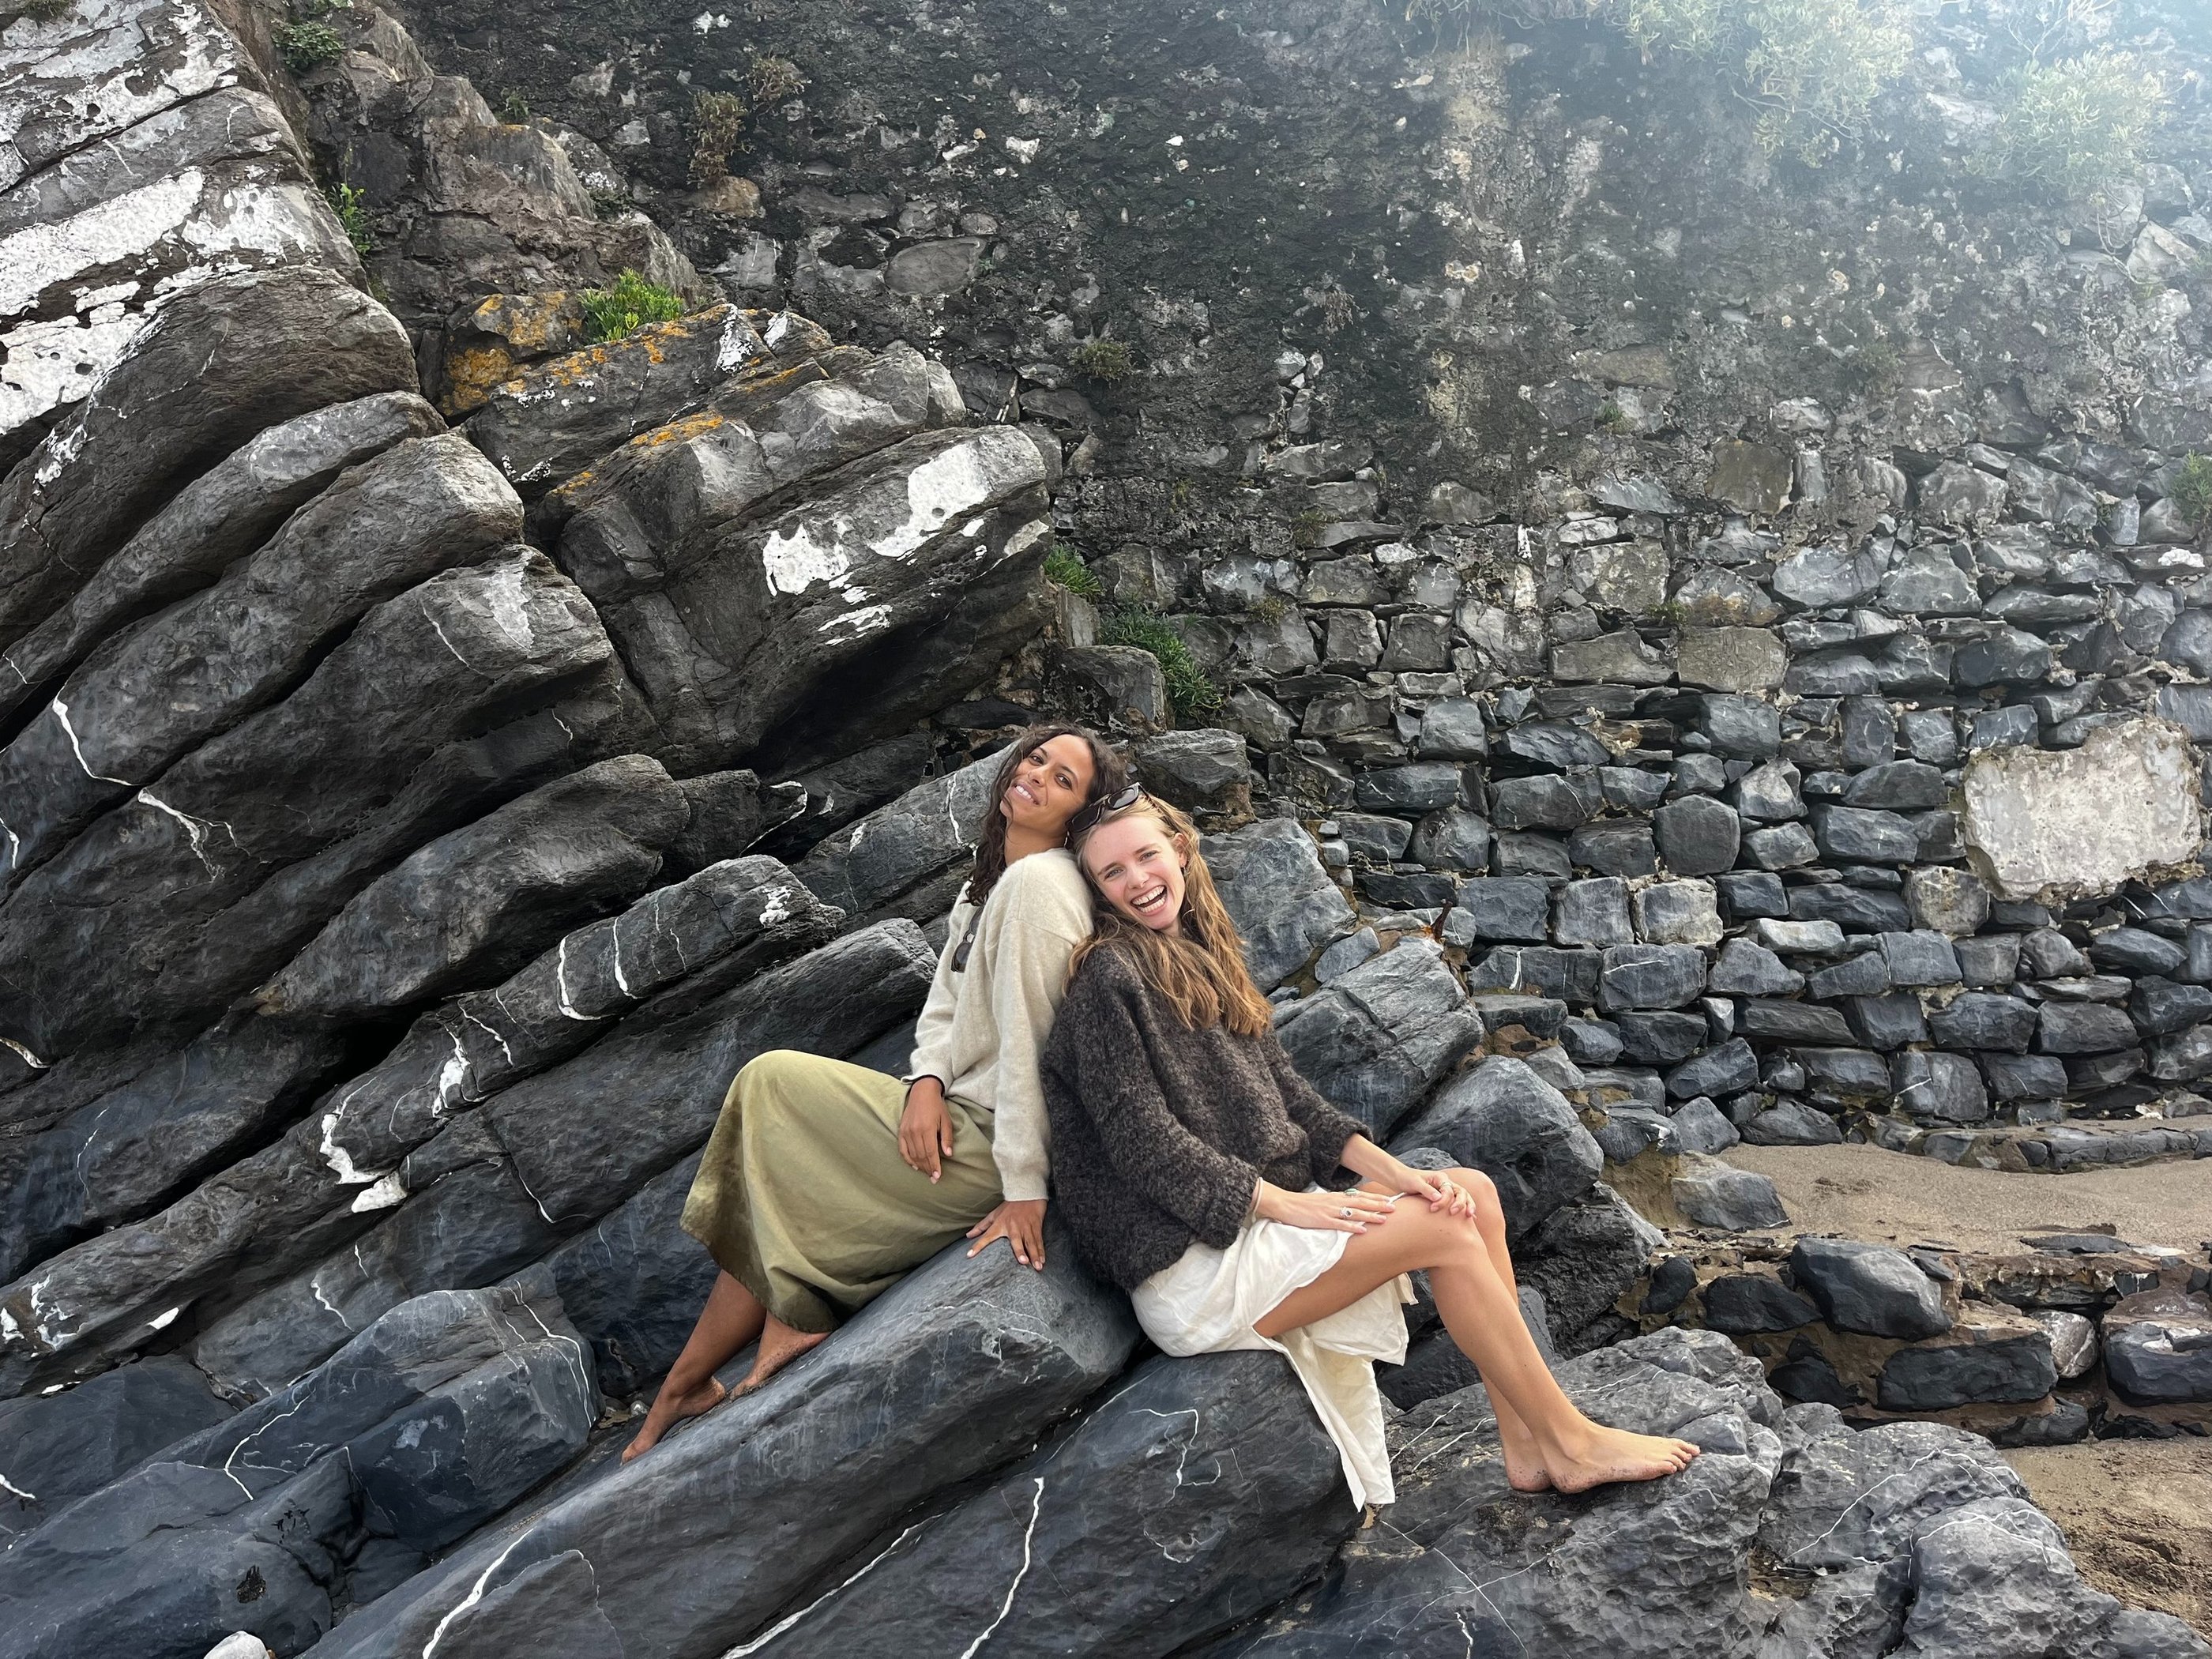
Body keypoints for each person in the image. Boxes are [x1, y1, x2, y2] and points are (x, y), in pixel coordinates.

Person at [1040, 791, 1701, 1507]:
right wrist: (1295, 1208)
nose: (1137, 880)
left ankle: (1528, 1443)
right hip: (1197, 1269)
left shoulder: (1198, 957)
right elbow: (1147, 1146)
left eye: (1146, 856)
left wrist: (1400, 1175)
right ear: (1098, 893)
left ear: (1180, 851)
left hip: (1255, 1233)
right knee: (1446, 1229)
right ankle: (1573, 1442)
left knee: (1467, 1192)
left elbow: (1295, 1101)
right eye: (1112, 874)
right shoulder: (1109, 979)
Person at [623, 724, 1128, 1461]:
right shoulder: (988, 880)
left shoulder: (1039, 887)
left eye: (1063, 781)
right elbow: (944, 1009)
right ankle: (689, 1383)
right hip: (952, 1112)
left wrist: (1024, 1185)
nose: (1036, 776)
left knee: (771, 1085)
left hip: (987, 1143)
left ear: (1080, 814)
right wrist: (924, 1079)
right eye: (1037, 758)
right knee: (771, 1169)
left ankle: (761, 1335)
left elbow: (1036, 1048)